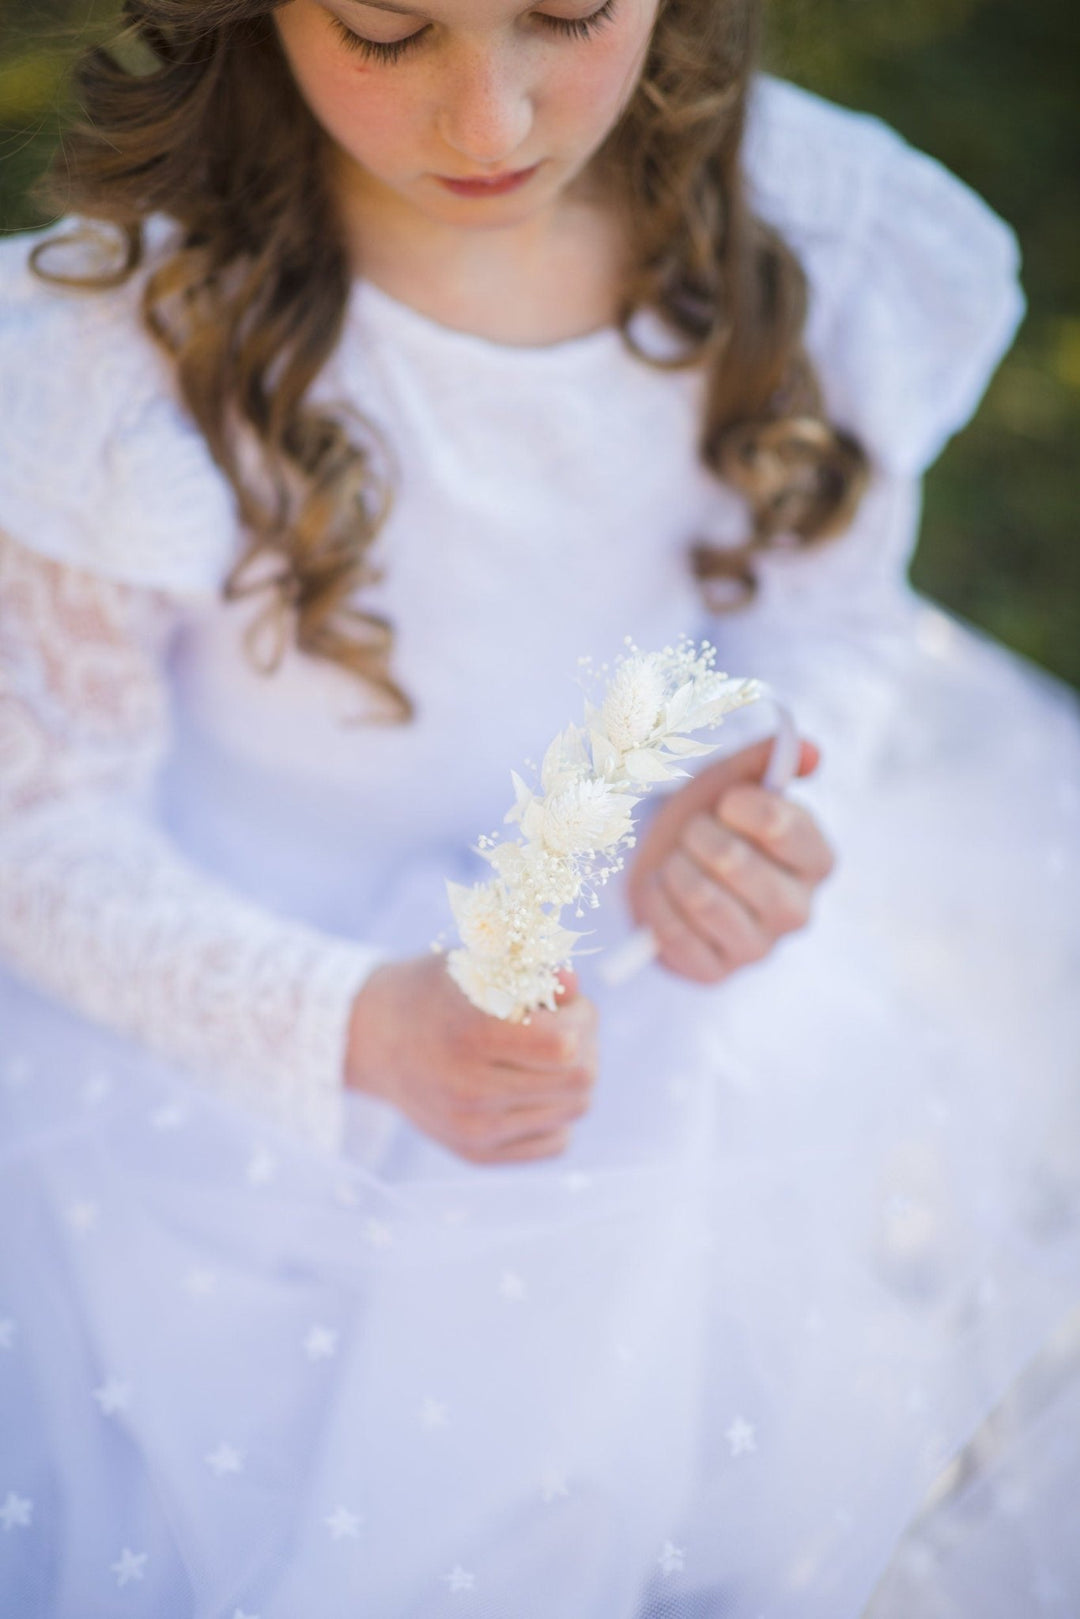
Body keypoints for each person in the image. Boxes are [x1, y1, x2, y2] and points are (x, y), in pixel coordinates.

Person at [0, 0, 1077, 1614]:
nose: (490, 123)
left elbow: (831, 619)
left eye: (565, 13)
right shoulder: (121, 339)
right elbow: (36, 827)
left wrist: (745, 788)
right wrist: (355, 1023)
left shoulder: (819, 235)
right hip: (260, 1006)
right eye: (387, 32)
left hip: (643, 962)